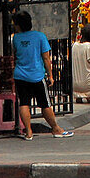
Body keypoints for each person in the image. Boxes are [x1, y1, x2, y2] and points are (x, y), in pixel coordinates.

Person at [11, 11, 71, 139]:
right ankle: (55, 128)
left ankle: (28, 132)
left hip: (20, 75)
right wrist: (50, 75)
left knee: (24, 103)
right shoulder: (40, 36)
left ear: (18, 25)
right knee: (45, 103)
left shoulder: (16, 38)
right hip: (37, 75)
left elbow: (15, 54)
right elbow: (46, 58)